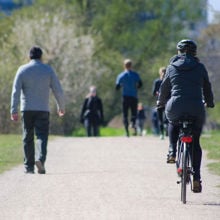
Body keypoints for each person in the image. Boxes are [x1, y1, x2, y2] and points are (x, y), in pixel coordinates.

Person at [157, 39, 214, 193]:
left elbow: (164, 89)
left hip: (175, 106)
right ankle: (197, 178)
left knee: (172, 121)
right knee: (195, 142)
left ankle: (172, 151)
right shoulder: (200, 67)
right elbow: (207, 87)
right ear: (194, 52)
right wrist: (210, 102)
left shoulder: (171, 67)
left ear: (179, 52)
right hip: (196, 107)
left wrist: (160, 102)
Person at [11, 46, 65, 174]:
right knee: (41, 136)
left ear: (29, 56)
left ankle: (29, 167)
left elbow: (15, 91)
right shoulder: (48, 70)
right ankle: (40, 160)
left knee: (27, 137)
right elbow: (58, 90)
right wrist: (61, 106)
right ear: (41, 57)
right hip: (42, 109)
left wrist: (14, 109)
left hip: (27, 109)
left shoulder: (22, 70)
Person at [116, 59, 142, 137]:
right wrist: (136, 86)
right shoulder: (135, 75)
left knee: (125, 114)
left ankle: (127, 132)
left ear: (124, 66)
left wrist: (122, 85)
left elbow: (117, 87)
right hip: (134, 96)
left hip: (125, 97)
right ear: (131, 65)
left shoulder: (121, 75)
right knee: (134, 112)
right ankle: (133, 123)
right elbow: (140, 84)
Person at [152, 67, 167, 139]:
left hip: (159, 102)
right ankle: (167, 130)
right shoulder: (169, 81)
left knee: (160, 119)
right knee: (167, 118)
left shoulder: (157, 81)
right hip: (168, 102)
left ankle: (162, 134)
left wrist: (158, 93)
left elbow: (153, 93)